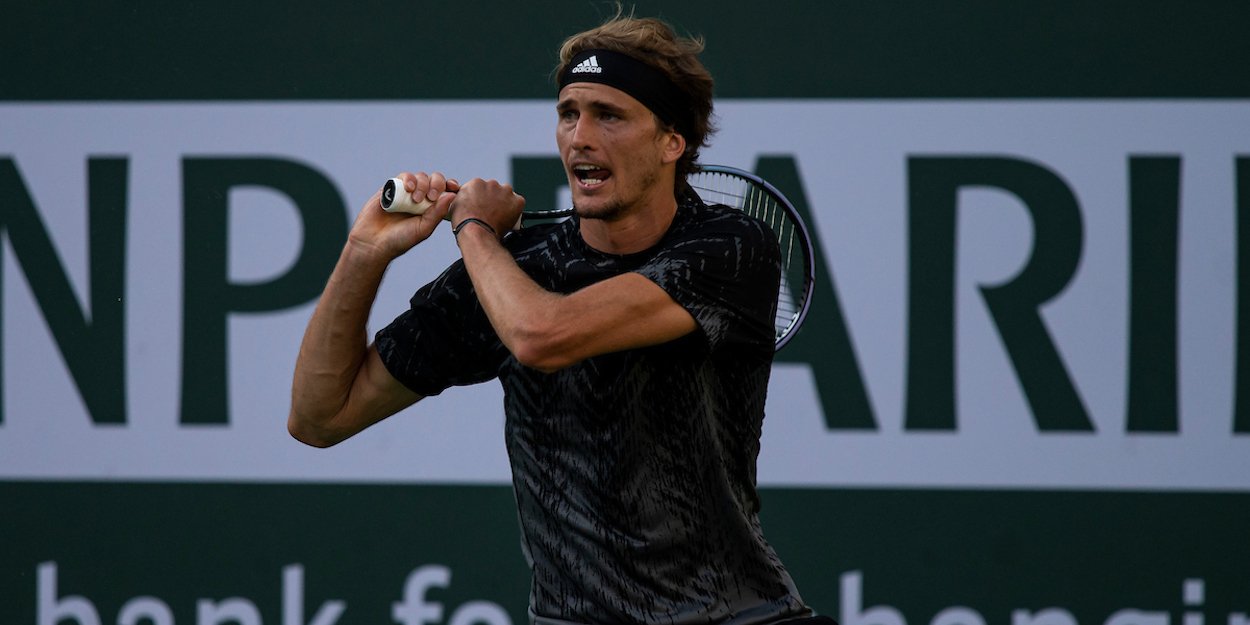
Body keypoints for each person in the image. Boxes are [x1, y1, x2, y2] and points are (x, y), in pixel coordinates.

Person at [289, 12, 828, 625]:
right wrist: (364, 254)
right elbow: (319, 418)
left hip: (737, 618)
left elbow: (541, 337)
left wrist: (474, 229)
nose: (580, 137)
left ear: (671, 142)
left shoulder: (730, 247)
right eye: (568, 113)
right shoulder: (510, 271)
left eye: (609, 115)